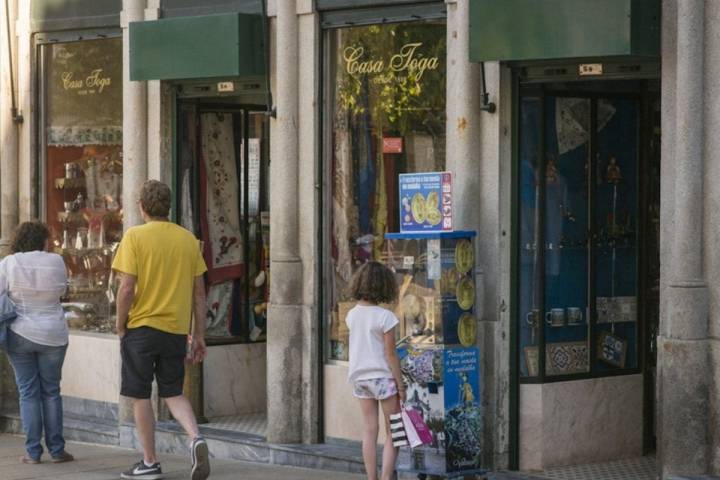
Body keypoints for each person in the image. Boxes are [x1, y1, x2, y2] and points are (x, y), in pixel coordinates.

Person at [112, 180, 210, 480]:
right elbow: (199, 295)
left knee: (140, 394)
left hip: (141, 327)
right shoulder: (187, 240)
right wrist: (199, 335)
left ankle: (150, 461)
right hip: (175, 330)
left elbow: (126, 288)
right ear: (168, 207)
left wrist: (120, 325)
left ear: (142, 207)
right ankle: (195, 437)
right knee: (173, 392)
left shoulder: (135, 237)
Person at [0, 221, 74, 464]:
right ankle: (57, 450)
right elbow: (63, 290)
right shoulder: (56, 261)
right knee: (51, 391)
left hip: (20, 333)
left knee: (28, 392)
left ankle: (33, 453)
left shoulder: (9, 263)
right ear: (42, 240)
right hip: (53, 333)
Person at [346, 261, 406, 480]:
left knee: (370, 430)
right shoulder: (385, 317)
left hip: (360, 378)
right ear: (384, 286)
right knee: (394, 433)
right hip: (383, 378)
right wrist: (400, 385)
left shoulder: (351, 315)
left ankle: (371, 478)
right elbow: (391, 354)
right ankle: (386, 477)